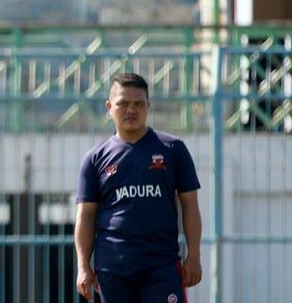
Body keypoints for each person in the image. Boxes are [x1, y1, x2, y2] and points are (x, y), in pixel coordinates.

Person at [74, 73, 202, 303]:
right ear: (109, 106)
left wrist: (194, 256)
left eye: (138, 104)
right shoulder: (95, 158)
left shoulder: (173, 149)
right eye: (123, 103)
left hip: (161, 266)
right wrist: (83, 266)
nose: (131, 110)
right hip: (112, 269)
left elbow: (190, 204)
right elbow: (86, 216)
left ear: (148, 106)